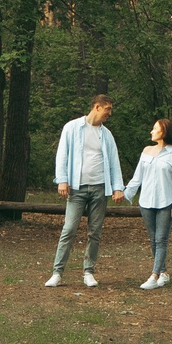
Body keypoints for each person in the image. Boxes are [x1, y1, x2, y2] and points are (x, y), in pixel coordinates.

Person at [45, 94, 121, 288]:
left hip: (99, 188)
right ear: (97, 107)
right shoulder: (72, 128)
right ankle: (57, 272)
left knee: (94, 231)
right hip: (77, 188)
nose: (109, 113)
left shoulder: (106, 134)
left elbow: (114, 162)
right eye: (107, 109)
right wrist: (62, 180)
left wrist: (117, 187)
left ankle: (89, 271)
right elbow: (62, 154)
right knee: (69, 229)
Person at [119, 117, 172, 290]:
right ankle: (163, 272)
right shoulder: (146, 151)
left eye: (155, 129)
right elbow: (137, 178)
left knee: (161, 239)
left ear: (164, 131)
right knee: (153, 239)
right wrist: (124, 193)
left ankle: (154, 275)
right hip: (146, 202)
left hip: (166, 202)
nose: (151, 131)